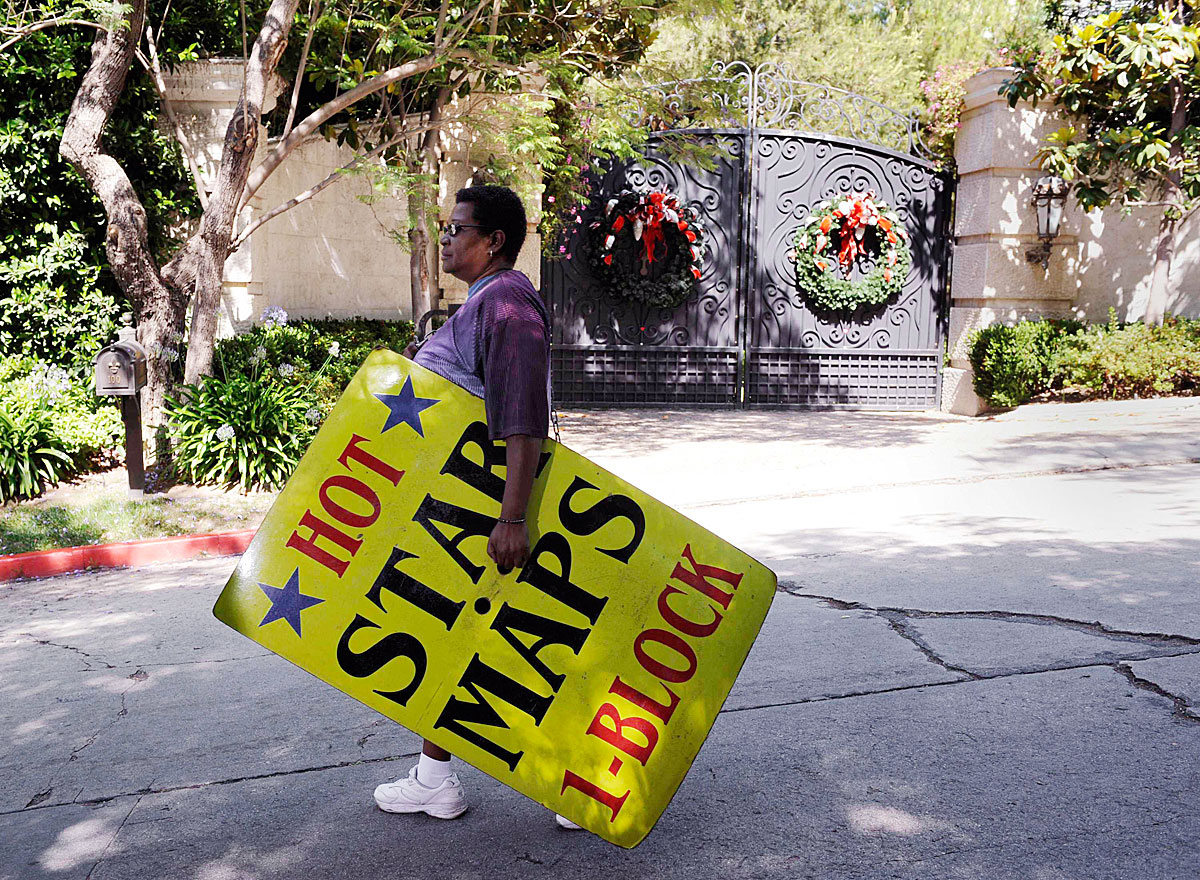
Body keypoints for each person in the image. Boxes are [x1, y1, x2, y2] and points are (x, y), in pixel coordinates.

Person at [371, 184, 580, 830]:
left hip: (487, 514)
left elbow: (523, 416)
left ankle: (575, 783)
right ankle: (436, 779)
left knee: (500, 647)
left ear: (493, 241)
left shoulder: (510, 302)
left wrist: (512, 519)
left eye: (458, 228)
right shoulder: (485, 303)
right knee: (459, 642)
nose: (447, 238)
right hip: (462, 512)